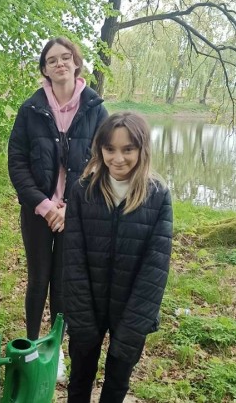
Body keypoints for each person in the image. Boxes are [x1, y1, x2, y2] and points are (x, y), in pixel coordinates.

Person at [7, 37, 108, 382]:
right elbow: (17, 164)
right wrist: (45, 204)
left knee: (64, 283)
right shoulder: (30, 109)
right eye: (52, 60)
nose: (60, 64)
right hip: (37, 211)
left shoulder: (95, 108)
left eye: (66, 57)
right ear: (45, 69)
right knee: (39, 279)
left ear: (77, 63)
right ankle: (31, 344)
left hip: (76, 213)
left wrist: (70, 208)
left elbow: (101, 163)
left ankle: (55, 348)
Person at [62, 112, 173, 402]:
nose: (118, 158)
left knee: (116, 385)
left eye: (128, 149)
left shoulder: (158, 195)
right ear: (100, 148)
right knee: (79, 381)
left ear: (142, 149)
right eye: (110, 149)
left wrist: (135, 324)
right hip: (88, 306)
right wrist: (81, 317)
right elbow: (72, 259)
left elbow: (156, 267)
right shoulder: (82, 191)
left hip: (132, 310)